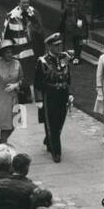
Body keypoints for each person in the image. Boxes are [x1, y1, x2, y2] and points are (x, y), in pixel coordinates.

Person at [35, 33, 73, 163]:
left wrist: (70, 94)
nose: (59, 47)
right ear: (50, 46)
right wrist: (39, 100)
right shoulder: (43, 61)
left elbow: (68, 78)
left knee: (60, 120)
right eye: (56, 45)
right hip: (49, 94)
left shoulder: (64, 58)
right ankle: (56, 151)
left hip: (62, 93)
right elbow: (37, 82)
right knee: (52, 122)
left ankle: (49, 139)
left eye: (60, 45)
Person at [0, 41, 23, 144]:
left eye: (11, 52)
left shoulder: (17, 63)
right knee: (5, 125)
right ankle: (2, 145)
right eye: (7, 52)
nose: (10, 54)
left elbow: (22, 79)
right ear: (2, 53)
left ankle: (1, 143)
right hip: (2, 100)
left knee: (16, 123)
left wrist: (16, 85)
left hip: (15, 98)